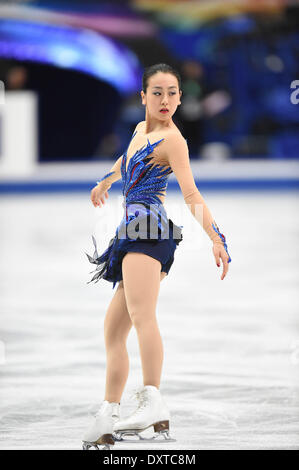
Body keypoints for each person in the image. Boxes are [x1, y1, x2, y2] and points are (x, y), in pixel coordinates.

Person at [82, 63, 231, 450]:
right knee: (114, 331)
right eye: (158, 92)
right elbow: (127, 159)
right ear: (144, 97)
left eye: (173, 93)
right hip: (132, 235)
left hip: (149, 234)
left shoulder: (172, 140)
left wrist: (217, 239)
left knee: (142, 316)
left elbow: (192, 194)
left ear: (181, 98)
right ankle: (109, 413)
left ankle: (152, 398)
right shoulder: (139, 130)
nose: (165, 100)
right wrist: (107, 180)